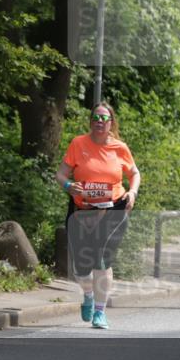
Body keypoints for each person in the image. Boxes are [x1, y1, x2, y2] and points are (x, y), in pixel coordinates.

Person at [55, 102, 140, 330]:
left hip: (114, 208)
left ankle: (100, 312)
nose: (99, 122)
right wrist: (69, 186)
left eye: (104, 118)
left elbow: (134, 173)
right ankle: (88, 296)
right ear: (90, 121)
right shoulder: (78, 144)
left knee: (102, 258)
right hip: (82, 210)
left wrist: (132, 192)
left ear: (111, 123)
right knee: (81, 266)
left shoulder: (120, 148)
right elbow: (61, 174)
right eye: (96, 118)